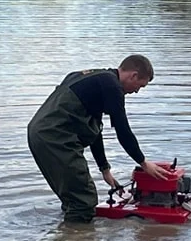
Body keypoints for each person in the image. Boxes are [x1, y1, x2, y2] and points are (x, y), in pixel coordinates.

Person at [27, 54, 169, 224]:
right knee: (85, 201)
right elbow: (123, 130)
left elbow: (94, 130)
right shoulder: (112, 87)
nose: (137, 91)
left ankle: (68, 232)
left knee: (74, 198)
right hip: (56, 138)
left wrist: (105, 169)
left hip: (39, 134)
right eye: (140, 86)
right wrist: (144, 162)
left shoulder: (95, 79)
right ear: (133, 75)